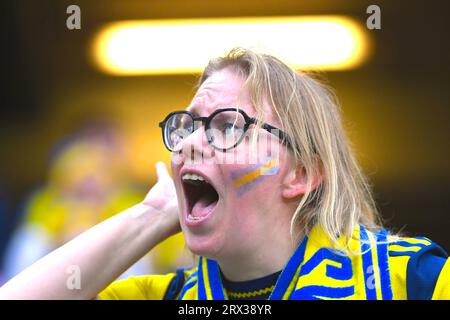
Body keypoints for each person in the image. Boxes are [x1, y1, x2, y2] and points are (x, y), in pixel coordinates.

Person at [0, 48, 448, 300]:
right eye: (188, 125)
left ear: (303, 173)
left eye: (228, 126)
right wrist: (152, 214)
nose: (191, 142)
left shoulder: (408, 278)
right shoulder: (173, 297)